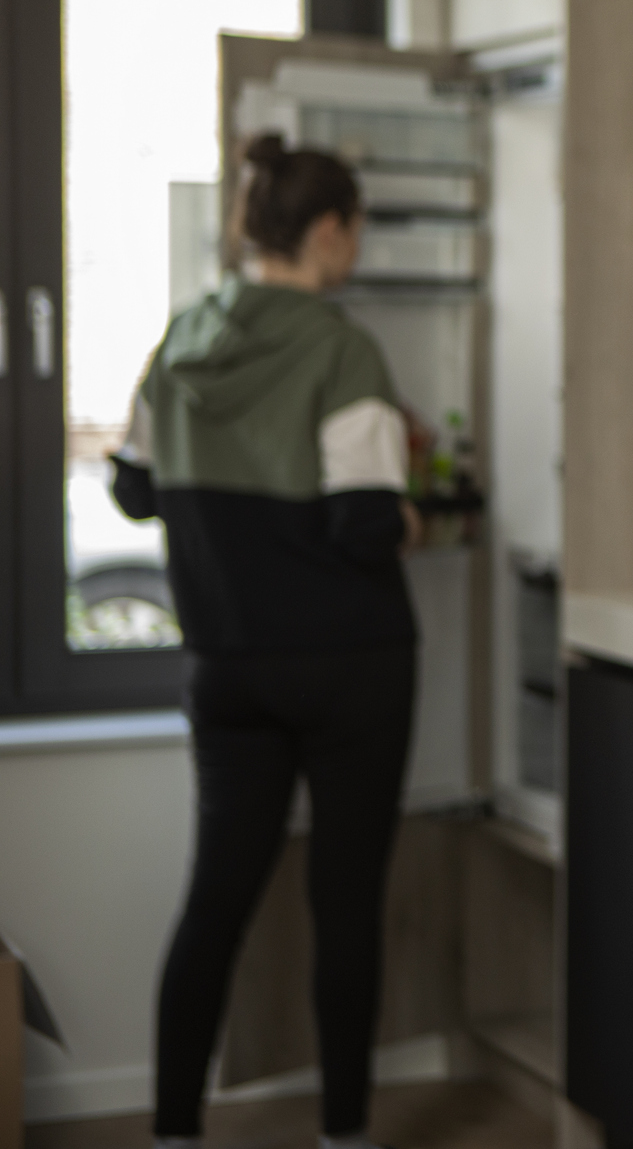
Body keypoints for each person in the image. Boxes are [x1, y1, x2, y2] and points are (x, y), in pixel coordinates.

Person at [113, 133, 419, 1149]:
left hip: (227, 665)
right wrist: (411, 516)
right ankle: (340, 1137)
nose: (357, 245)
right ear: (328, 229)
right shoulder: (341, 350)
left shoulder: (181, 339)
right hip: (350, 668)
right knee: (345, 903)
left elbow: (132, 488)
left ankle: (171, 1131)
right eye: (356, 226)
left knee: (214, 900)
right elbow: (364, 524)